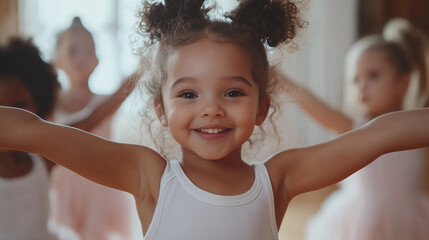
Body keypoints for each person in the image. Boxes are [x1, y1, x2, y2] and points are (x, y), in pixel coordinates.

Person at [0, 1, 428, 239]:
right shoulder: (149, 176)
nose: (211, 108)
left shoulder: (277, 179)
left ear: (262, 107)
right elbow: (35, 132)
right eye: (188, 93)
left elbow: (381, 134)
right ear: (161, 110)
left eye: (233, 92)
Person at [280, 19, 429, 240]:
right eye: (357, 79)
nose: (362, 86)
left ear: (403, 82)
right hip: (361, 223)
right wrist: (280, 80)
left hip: (407, 220)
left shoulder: (418, 129)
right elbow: (316, 108)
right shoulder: (356, 129)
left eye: (373, 75)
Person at [49, 16, 138, 239]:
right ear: (56, 60)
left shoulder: (107, 102)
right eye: (73, 50)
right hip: (64, 193)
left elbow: (131, 81)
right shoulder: (50, 105)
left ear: (97, 60)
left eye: (89, 50)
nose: (81, 57)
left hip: (100, 193)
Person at [0, 37, 59, 240]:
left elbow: (87, 123)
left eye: (18, 106)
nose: (9, 118)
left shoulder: (43, 160)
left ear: (40, 104)